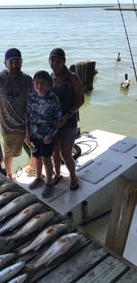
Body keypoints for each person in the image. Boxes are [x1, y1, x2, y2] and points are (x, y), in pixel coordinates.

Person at [0, 48, 32, 179]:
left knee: (36, 150)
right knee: (8, 154)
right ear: (5, 63)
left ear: (21, 62)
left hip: (28, 124)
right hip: (9, 126)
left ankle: (33, 168)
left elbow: (34, 100)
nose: (14, 65)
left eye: (17, 62)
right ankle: (9, 175)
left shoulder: (27, 79)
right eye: (11, 62)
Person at [49, 48, 84, 190]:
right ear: (49, 61)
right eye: (52, 60)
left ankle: (74, 178)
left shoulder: (72, 78)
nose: (55, 64)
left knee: (66, 154)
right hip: (54, 124)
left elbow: (81, 100)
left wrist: (68, 114)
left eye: (58, 61)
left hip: (69, 122)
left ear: (64, 62)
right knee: (54, 152)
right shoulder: (49, 78)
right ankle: (57, 174)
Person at [26, 70, 62, 198]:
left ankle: (49, 183)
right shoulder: (31, 97)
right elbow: (28, 115)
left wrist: (51, 135)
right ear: (33, 84)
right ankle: (38, 177)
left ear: (48, 85)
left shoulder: (53, 99)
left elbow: (58, 119)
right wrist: (27, 132)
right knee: (36, 157)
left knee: (47, 159)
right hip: (34, 134)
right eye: (37, 83)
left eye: (42, 83)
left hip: (47, 136)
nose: (39, 86)